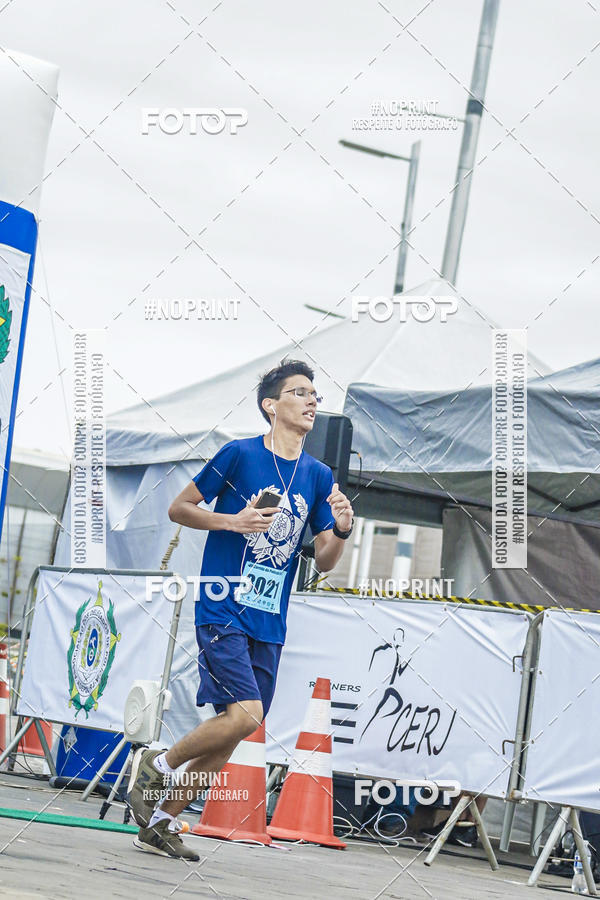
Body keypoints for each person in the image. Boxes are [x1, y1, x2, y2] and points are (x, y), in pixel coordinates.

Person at [128, 358, 354, 859]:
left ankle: (162, 821)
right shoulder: (238, 455)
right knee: (246, 713)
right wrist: (233, 522)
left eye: (315, 394)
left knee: (236, 730)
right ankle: (158, 765)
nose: (312, 400)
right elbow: (179, 508)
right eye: (300, 392)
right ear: (271, 406)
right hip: (222, 605)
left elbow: (325, 560)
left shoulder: (317, 474)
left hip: (269, 617)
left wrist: (340, 529)